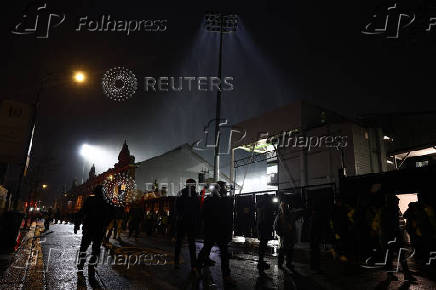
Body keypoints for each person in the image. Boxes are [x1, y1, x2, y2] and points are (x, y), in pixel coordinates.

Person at [197, 181, 236, 287]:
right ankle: (226, 277)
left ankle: (197, 268)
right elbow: (229, 216)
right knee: (223, 254)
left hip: (212, 230)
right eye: (223, 188)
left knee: (208, 249)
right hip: (220, 230)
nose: (225, 189)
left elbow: (203, 215)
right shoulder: (225, 200)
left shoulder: (208, 200)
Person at [74, 185, 114, 276]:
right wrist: (105, 224)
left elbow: (81, 212)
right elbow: (111, 215)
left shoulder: (89, 200)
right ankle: (92, 265)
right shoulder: (107, 202)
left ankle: (80, 265)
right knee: (96, 249)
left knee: (83, 247)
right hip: (100, 229)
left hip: (89, 227)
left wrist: (77, 225)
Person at [174, 179, 200, 271]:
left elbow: (176, 207)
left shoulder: (181, 193)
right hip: (191, 222)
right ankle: (193, 265)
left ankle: (176, 262)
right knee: (191, 244)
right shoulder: (195, 195)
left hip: (182, 222)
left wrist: (179, 216)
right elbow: (198, 209)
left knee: (179, 242)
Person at [274, 200, 304, 270]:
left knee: (289, 250)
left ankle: (287, 263)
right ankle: (281, 264)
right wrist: (280, 233)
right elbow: (276, 226)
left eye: (285, 206)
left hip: (289, 235)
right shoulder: (280, 216)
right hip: (284, 236)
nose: (284, 207)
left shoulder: (290, 214)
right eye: (283, 206)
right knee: (283, 250)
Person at [256, 194, 275, 272]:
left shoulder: (260, 206)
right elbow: (266, 219)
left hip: (261, 227)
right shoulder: (266, 207)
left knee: (262, 244)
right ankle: (260, 263)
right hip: (265, 228)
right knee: (263, 245)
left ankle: (261, 261)